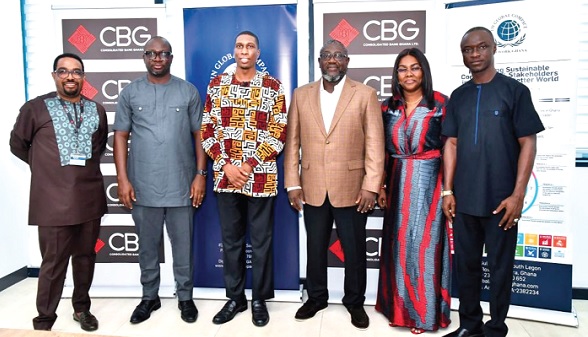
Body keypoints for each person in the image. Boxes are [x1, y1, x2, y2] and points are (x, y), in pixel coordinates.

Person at [441, 27, 544, 337]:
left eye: (481, 47)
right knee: (466, 268)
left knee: (500, 270)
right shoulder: (458, 96)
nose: (475, 54)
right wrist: (448, 189)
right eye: (468, 50)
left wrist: (517, 195)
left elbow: (528, 142)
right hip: (464, 201)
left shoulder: (515, 91)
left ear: (493, 49)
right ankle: (469, 327)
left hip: (502, 202)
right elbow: (452, 144)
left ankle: (497, 328)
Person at [284, 39, 384, 330]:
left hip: (353, 188)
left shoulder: (365, 94)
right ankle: (316, 298)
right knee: (315, 247)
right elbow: (293, 143)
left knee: (353, 250)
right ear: (319, 61)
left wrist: (371, 186)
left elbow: (375, 145)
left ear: (347, 61)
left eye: (338, 55)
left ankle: (355, 302)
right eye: (327, 55)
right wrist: (292, 183)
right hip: (312, 185)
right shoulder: (301, 95)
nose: (332, 60)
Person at [9, 53, 107, 332]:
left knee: (85, 258)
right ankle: (44, 320)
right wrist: (44, 167)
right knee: (53, 263)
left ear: (83, 77)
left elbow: (97, 147)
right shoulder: (35, 109)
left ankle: (81, 309)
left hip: (89, 197)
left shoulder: (96, 110)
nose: (70, 77)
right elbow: (18, 144)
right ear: (55, 76)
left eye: (76, 72)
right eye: (63, 71)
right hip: (52, 200)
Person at [113, 36, 206, 324]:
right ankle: (149, 297)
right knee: (147, 246)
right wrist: (123, 179)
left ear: (171, 58)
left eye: (163, 53)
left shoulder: (187, 91)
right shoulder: (130, 94)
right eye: (152, 53)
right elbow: (120, 136)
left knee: (183, 246)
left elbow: (199, 135)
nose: (157, 58)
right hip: (142, 185)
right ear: (144, 57)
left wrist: (200, 175)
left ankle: (185, 298)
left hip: (181, 184)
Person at [200, 30, 287, 328]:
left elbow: (279, 132)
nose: (244, 51)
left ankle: (260, 300)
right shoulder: (217, 85)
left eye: (250, 46)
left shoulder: (273, 87)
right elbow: (207, 129)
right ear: (234, 51)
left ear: (258, 53)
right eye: (239, 46)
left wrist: (248, 165)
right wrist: (226, 165)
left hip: (261, 176)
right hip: (225, 178)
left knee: (261, 241)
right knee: (232, 241)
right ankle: (235, 298)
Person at [375, 48, 451, 335]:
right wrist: (381, 184)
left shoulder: (441, 103)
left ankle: (423, 313)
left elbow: (451, 148)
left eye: (415, 68)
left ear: (424, 72)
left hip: (431, 182)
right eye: (403, 69)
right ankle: (396, 308)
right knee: (397, 246)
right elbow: (381, 149)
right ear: (396, 75)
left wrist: (448, 190)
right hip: (396, 181)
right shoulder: (387, 107)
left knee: (424, 247)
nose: (408, 74)